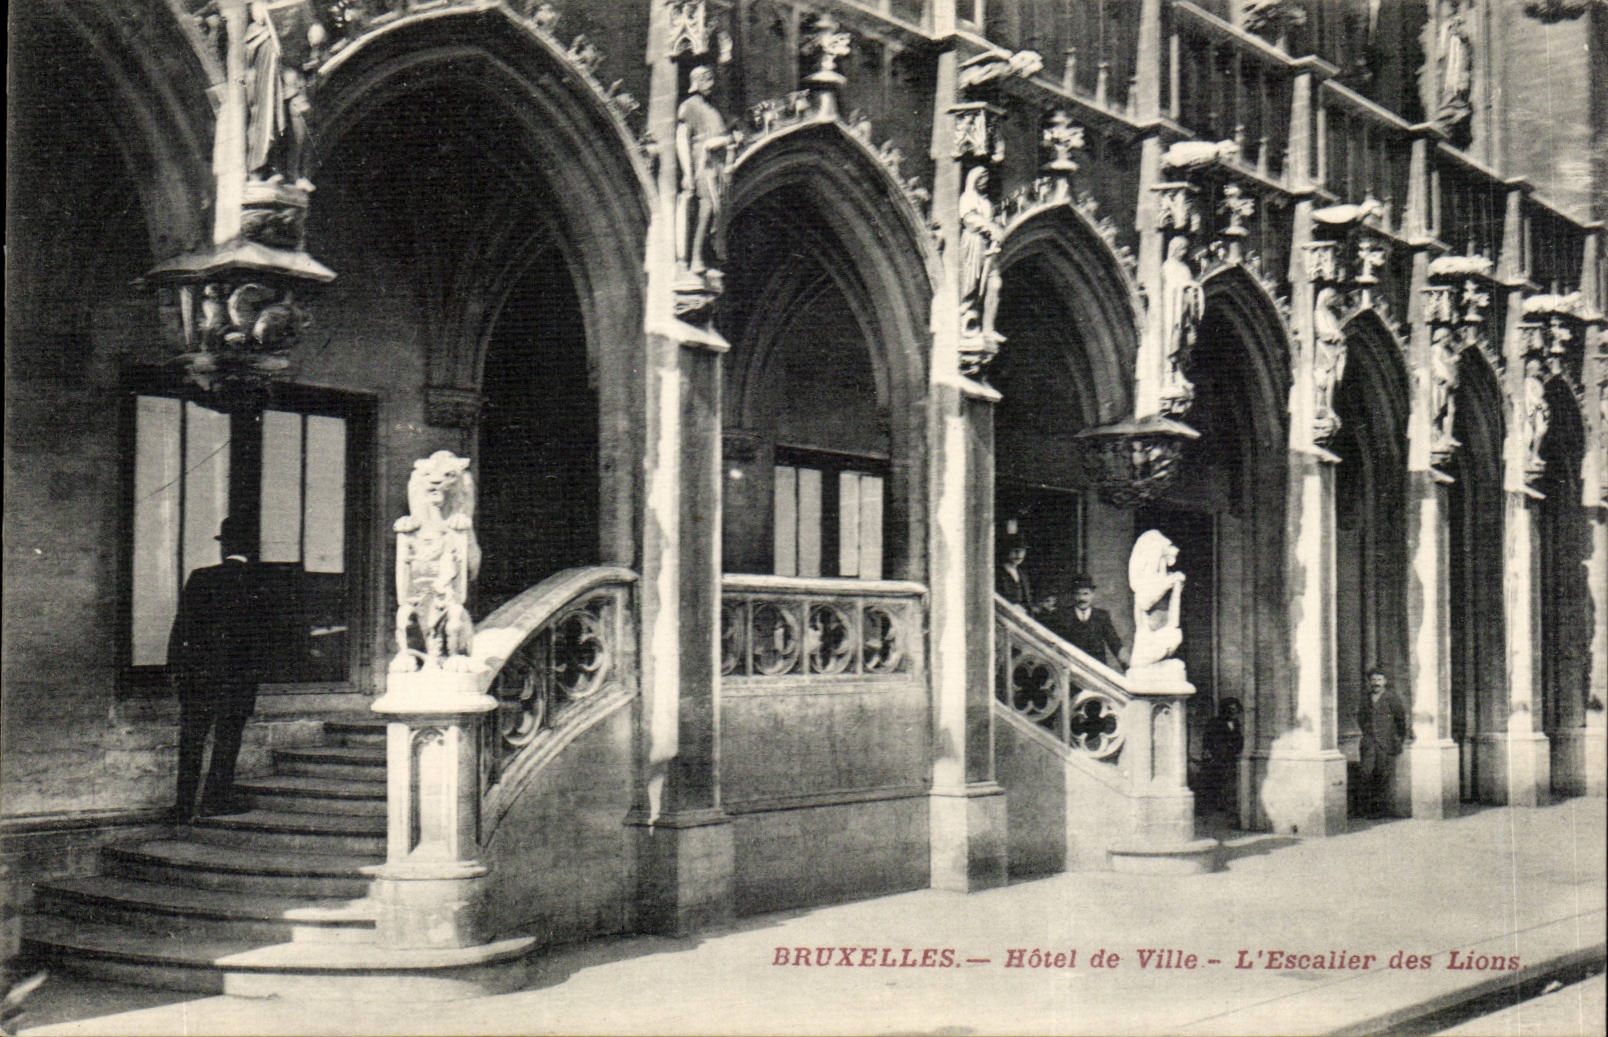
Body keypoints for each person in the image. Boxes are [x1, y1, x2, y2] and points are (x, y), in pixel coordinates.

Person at [168, 516, 272, 820]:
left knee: (191, 740)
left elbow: (181, 629)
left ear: (224, 546)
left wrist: (176, 668)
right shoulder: (260, 583)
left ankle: (183, 805)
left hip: (197, 677)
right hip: (238, 678)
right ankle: (215, 800)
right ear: (251, 549)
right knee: (227, 739)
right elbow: (268, 635)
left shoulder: (201, 578)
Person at [1358, 669, 1407, 818]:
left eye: (1379, 680)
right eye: (1373, 680)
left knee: (1383, 776)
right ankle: (1368, 809)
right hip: (1369, 743)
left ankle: (1383, 809)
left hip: (1386, 743)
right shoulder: (1366, 698)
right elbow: (1361, 718)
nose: (1376, 683)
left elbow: (1401, 721)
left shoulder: (1392, 698)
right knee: (1366, 774)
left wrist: (1397, 739)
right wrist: (1368, 732)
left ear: (1385, 682)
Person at [1056, 573, 1126, 668]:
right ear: (1073, 595)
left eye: (1085, 594)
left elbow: (1114, 642)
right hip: (1073, 669)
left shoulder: (1101, 616)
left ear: (1093, 594)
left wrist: (1127, 665)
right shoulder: (1064, 615)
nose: (1082, 598)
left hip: (1097, 670)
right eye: (1078, 594)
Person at [1200, 697, 1244, 815]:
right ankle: (1212, 807)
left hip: (1231, 757)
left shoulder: (1236, 723)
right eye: (1231, 710)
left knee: (1229, 782)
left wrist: (1235, 747)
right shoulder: (1214, 722)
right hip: (1217, 757)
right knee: (1215, 782)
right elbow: (1208, 740)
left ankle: (1227, 806)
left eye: (1235, 710)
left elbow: (1238, 739)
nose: (1234, 713)